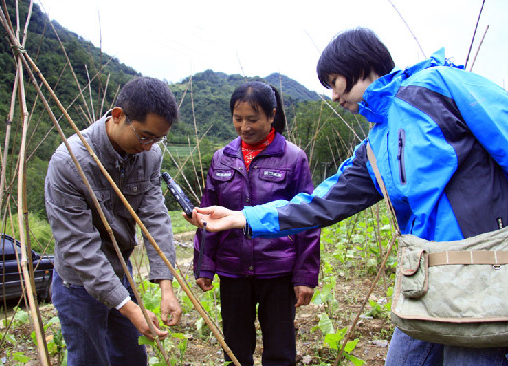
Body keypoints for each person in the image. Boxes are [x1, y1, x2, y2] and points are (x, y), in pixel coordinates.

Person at [186, 28, 508, 365]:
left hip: (478, 274)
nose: (334, 96)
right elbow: (323, 201)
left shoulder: (438, 87)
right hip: (425, 279)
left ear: (362, 65)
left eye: (334, 81)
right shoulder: (375, 144)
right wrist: (244, 217)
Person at [45, 76, 182, 366]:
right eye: (144, 136)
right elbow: (78, 246)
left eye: (157, 139)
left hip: (120, 269)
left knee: (132, 356)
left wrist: (166, 285)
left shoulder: (149, 155)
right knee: (89, 359)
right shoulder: (69, 163)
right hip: (79, 281)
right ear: (118, 116)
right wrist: (128, 306)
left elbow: (155, 215)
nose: (149, 147)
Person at [192, 81, 320, 366]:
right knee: (235, 348)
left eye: (253, 119)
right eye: (238, 119)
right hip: (233, 270)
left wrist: (305, 276)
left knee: (280, 349)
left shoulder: (293, 158)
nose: (244, 127)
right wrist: (204, 264)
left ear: (272, 115)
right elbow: (209, 215)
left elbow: (308, 218)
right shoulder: (222, 158)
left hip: (278, 270)